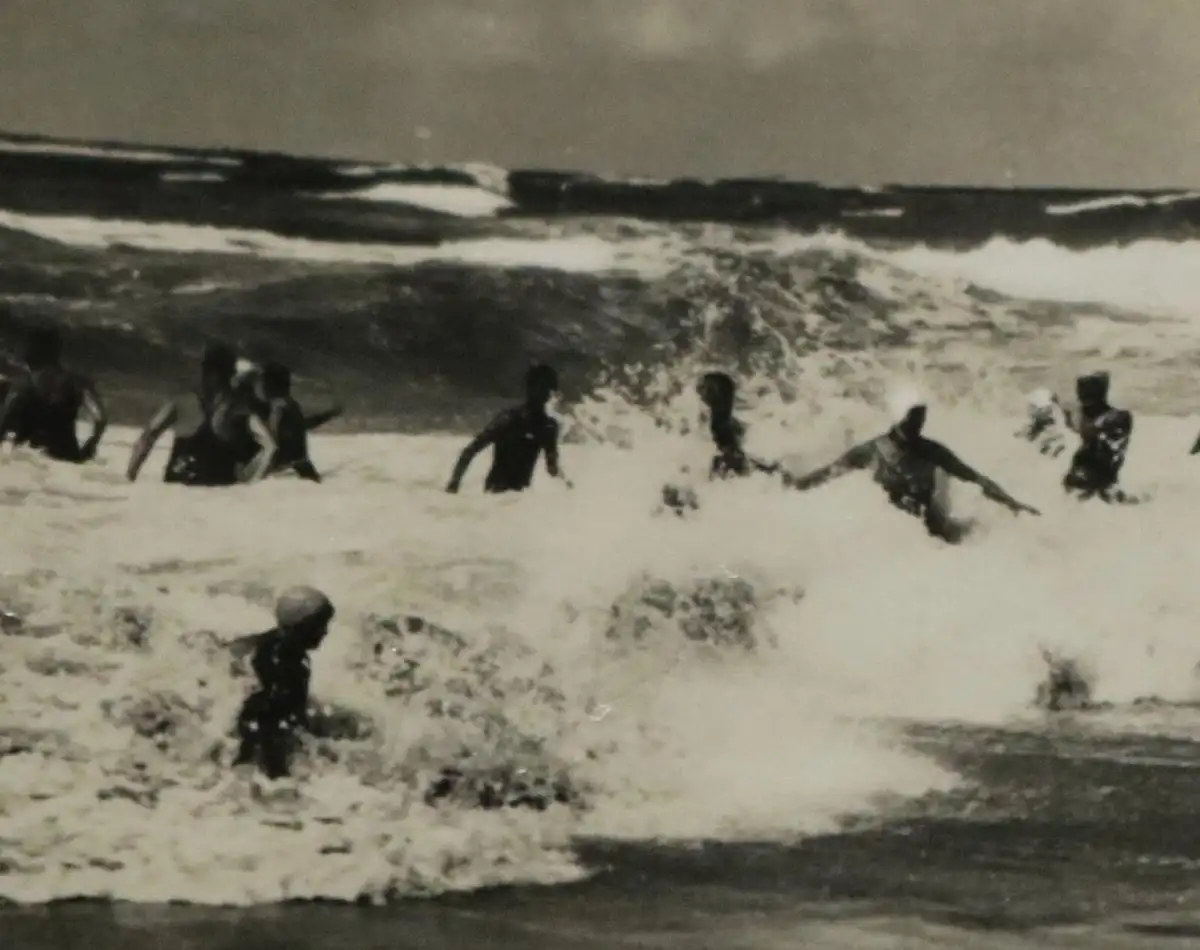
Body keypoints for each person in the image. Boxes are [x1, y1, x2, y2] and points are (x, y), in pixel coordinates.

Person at [784, 387, 1040, 543]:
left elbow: (976, 479)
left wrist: (1012, 504)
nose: (918, 423)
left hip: (935, 532)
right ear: (898, 416)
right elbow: (827, 474)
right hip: (900, 539)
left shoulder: (933, 451)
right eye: (913, 416)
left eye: (921, 416)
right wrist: (788, 486)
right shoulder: (871, 451)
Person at [125, 342, 276, 486]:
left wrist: (130, 477)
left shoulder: (181, 404)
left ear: (208, 372)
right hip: (218, 495)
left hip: (176, 492)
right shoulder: (241, 410)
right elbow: (270, 448)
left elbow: (147, 437)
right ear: (231, 374)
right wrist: (250, 480)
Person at [231, 586, 335, 780]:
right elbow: (266, 721)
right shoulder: (287, 666)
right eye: (320, 625)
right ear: (302, 627)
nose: (325, 631)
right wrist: (278, 774)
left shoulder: (271, 642)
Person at [445, 364, 570, 494]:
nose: (543, 393)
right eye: (540, 388)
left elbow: (552, 468)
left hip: (518, 499)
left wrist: (568, 486)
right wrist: (454, 483)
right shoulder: (509, 419)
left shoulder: (548, 427)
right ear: (529, 389)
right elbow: (471, 450)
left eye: (546, 389)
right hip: (496, 495)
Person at [0, 326, 107, 463]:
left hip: (32, 456)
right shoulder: (77, 382)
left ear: (34, 352)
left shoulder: (24, 384)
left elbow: (7, 422)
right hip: (68, 455)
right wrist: (91, 445)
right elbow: (100, 419)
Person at [252, 361, 343, 482]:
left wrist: (262, 474)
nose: (258, 388)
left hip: (288, 469)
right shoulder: (290, 405)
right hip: (301, 465)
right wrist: (328, 415)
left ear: (270, 385)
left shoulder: (280, 407)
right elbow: (303, 425)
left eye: (261, 383)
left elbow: (274, 445)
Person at [1062, 371, 1137, 503]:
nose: (1080, 395)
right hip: (1087, 474)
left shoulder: (1117, 417)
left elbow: (1109, 443)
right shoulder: (1083, 416)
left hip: (1100, 474)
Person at [697, 371, 782, 479]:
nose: (700, 393)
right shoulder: (727, 420)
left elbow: (730, 452)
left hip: (731, 462)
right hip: (736, 461)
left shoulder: (719, 422)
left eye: (704, 389)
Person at [1015, 388, 1069, 459]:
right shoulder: (1037, 424)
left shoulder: (1054, 430)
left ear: (1044, 410)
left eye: (1032, 406)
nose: (1029, 410)